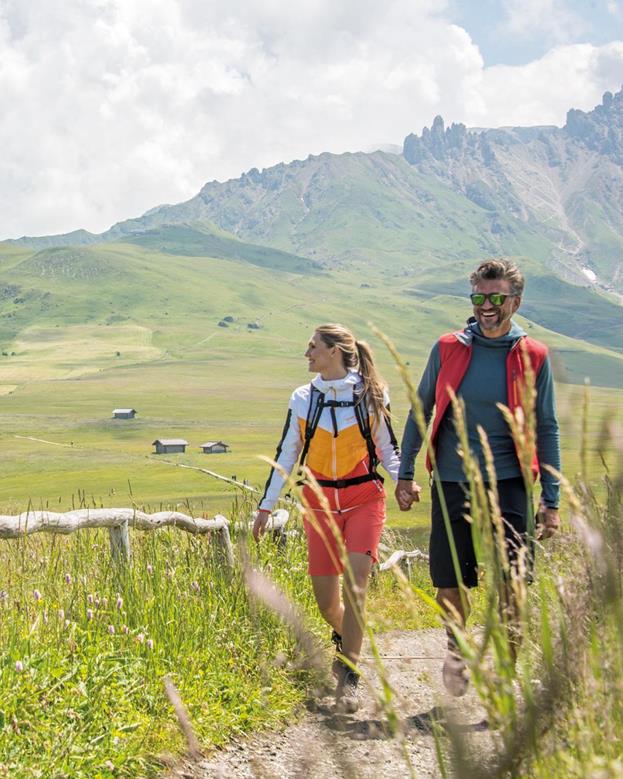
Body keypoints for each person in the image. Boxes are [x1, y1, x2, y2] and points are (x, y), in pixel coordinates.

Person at [395, 258, 561, 696]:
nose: (487, 306)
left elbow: (547, 426)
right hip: (451, 479)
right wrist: (406, 472)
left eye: (496, 298)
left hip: (510, 482)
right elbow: (421, 408)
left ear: (515, 302)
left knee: (513, 582)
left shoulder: (534, 355)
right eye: (479, 298)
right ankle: (457, 649)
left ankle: (505, 675)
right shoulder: (448, 347)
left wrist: (552, 499)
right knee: (449, 578)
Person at [254, 323, 401, 712]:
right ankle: (349, 642)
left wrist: (405, 483)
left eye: (313, 347)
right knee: (325, 602)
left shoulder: (371, 395)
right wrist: (266, 505)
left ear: (334, 350)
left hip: (364, 497)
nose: (307, 354)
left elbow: (389, 450)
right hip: (318, 504)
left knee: (356, 587)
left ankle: (349, 674)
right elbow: (286, 452)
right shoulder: (303, 398)